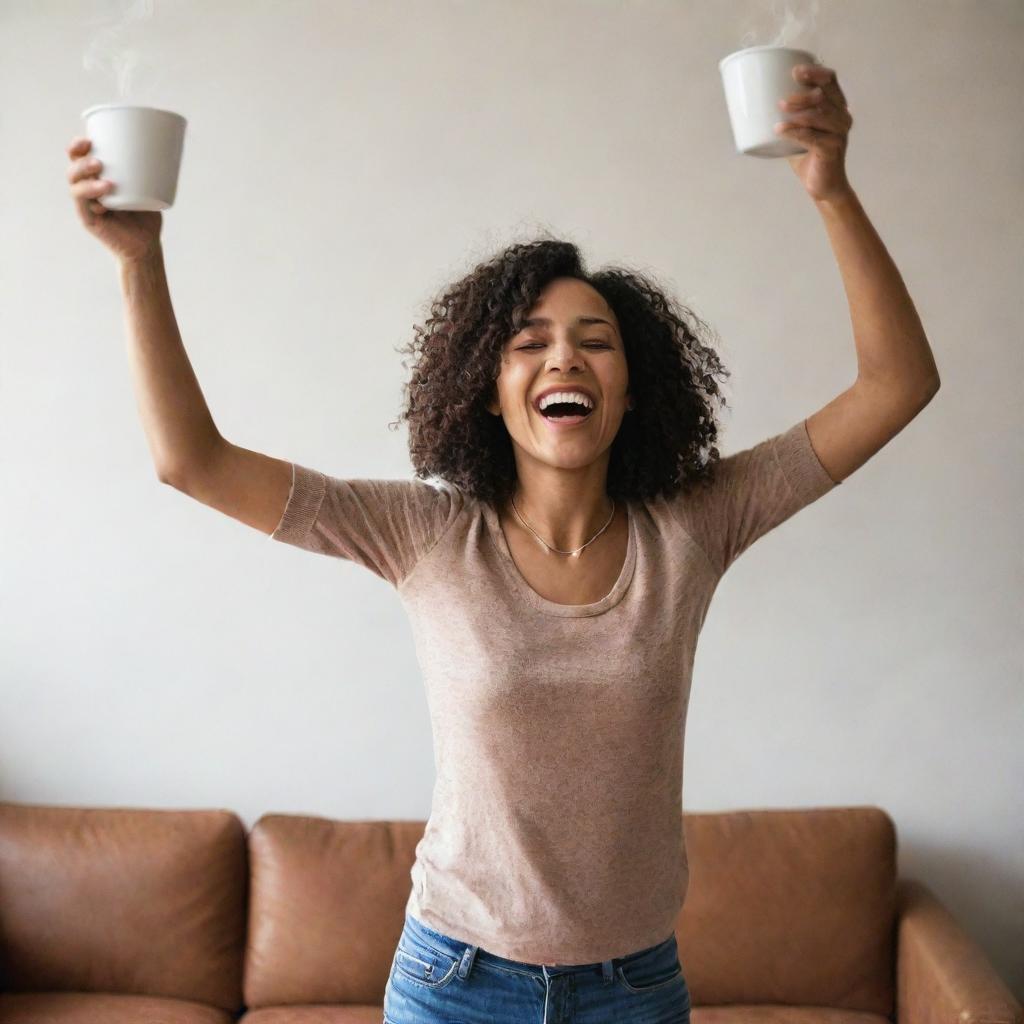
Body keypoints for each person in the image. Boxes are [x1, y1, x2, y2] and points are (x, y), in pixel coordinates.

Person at [66, 65, 939, 1021]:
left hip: (634, 990)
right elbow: (191, 460)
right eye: (529, 341)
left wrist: (831, 188)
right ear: (488, 390)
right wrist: (136, 259)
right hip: (456, 985)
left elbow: (898, 382)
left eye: (594, 340)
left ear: (633, 386)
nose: (563, 355)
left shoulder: (693, 524)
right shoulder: (425, 535)